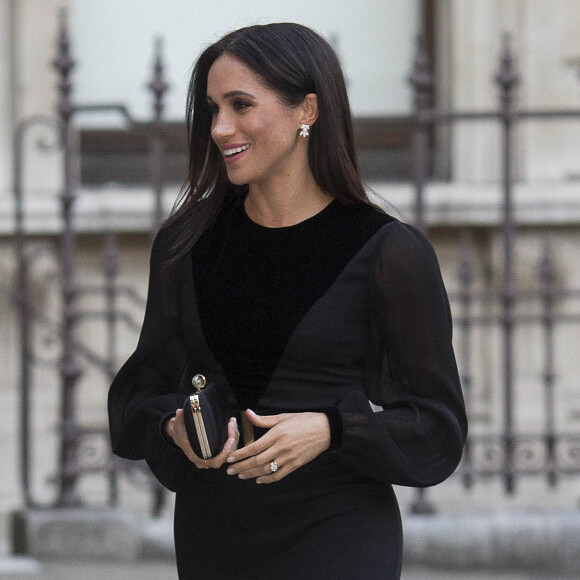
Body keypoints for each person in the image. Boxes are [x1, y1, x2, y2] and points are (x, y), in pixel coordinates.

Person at [108, 22, 467, 580]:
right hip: (215, 533)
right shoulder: (187, 244)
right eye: (212, 108)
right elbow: (137, 400)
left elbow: (437, 426)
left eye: (241, 104)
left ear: (307, 110)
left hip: (339, 529)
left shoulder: (388, 251)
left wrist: (330, 430)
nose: (220, 127)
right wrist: (174, 426)